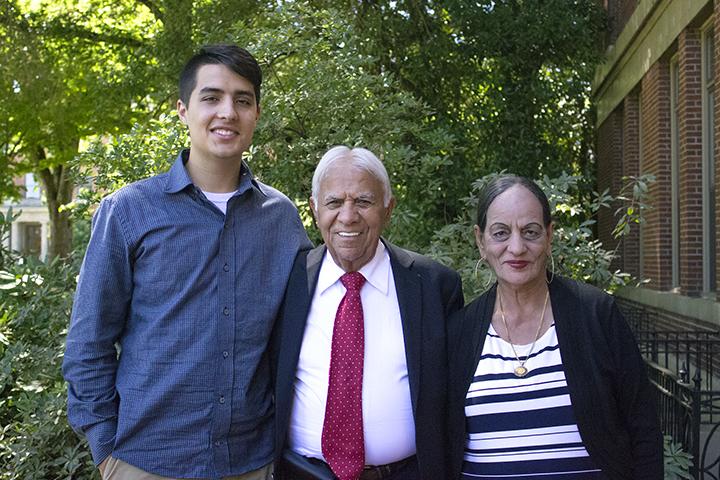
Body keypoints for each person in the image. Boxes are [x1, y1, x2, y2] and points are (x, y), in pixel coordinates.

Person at [62, 44, 312, 480]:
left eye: (243, 100)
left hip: (251, 463)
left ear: (256, 113)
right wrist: (106, 451)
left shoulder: (282, 219)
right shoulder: (128, 212)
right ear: (183, 109)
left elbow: (302, 332)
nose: (227, 112)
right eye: (211, 97)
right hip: (144, 462)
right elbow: (89, 342)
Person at [446, 175, 663, 479]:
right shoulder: (459, 332)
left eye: (530, 232)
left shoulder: (596, 314)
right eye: (501, 233)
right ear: (481, 241)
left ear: (549, 236)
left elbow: (644, 430)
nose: (517, 247)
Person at [271, 146, 464, 480]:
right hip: (301, 473)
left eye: (363, 201)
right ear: (315, 210)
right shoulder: (286, 283)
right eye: (334, 202)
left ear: (388, 209)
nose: (348, 216)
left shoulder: (435, 286)